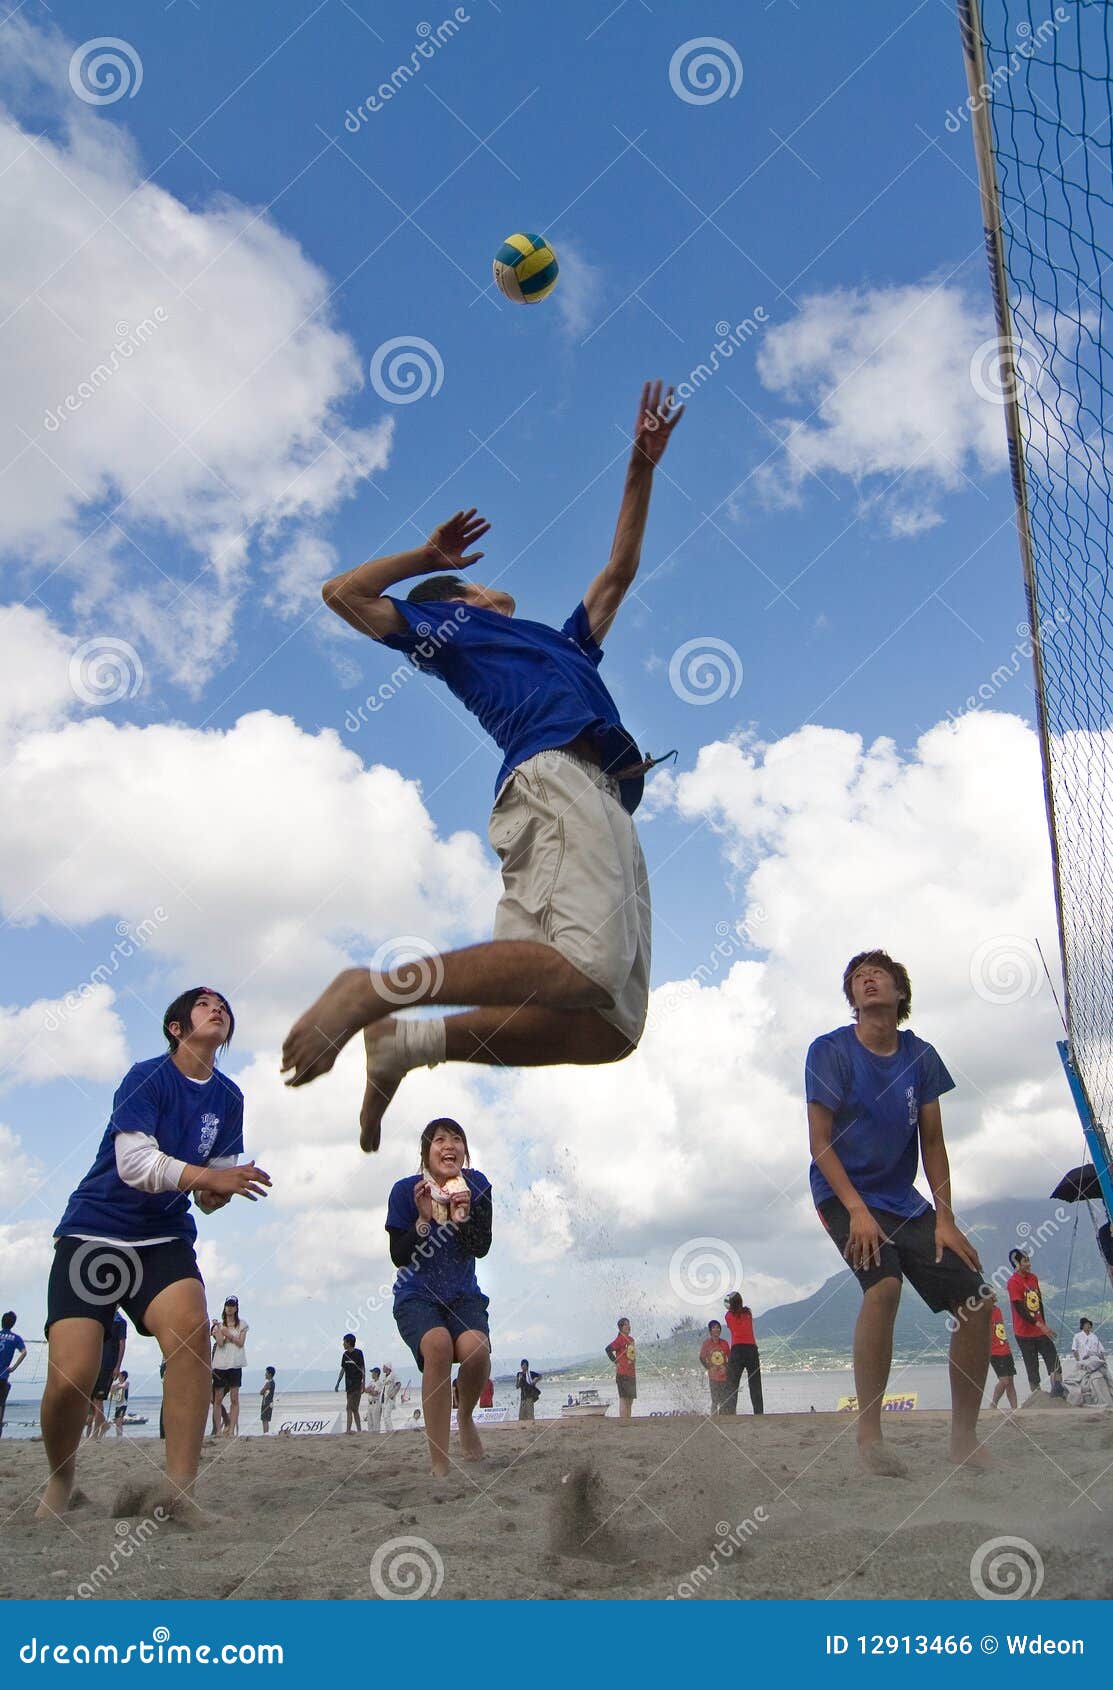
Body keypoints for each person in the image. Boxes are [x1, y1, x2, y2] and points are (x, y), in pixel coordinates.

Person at [282, 382, 686, 1152]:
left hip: (595, 799)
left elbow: (617, 572)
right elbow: (342, 593)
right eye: (472, 580)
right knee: (586, 970)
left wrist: (640, 465)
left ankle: (406, 1045)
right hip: (557, 779)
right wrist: (425, 561)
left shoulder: (560, 642)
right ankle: (370, 990)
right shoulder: (451, 624)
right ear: (462, 596)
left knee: (608, 1026)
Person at [37, 987, 269, 1521]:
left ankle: (180, 1493)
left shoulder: (229, 1097)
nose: (219, 1009)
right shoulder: (146, 1076)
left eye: (225, 1007)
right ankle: (60, 1480)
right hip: (95, 1231)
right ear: (176, 1027)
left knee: (191, 1330)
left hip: (163, 1237)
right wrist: (209, 1177)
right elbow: (136, 1164)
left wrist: (218, 1192)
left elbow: (210, 1192)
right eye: (206, 1003)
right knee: (72, 1375)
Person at [806, 950, 992, 1476]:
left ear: (899, 993)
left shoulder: (921, 1056)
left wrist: (946, 1218)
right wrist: (857, 1212)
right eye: (857, 977)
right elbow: (820, 1141)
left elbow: (933, 1142)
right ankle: (870, 1435)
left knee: (977, 1299)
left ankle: (964, 1438)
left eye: (878, 973)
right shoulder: (830, 1051)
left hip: (904, 1201)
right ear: (852, 998)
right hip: (841, 1193)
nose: (867, 979)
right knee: (883, 1286)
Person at [385, 1117, 492, 1476]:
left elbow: (482, 1247)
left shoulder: (476, 1185)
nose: (450, 1145)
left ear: (465, 1151)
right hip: (417, 1296)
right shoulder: (406, 1191)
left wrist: (462, 1216)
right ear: (425, 1154)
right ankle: (439, 1462)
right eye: (440, 1140)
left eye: (457, 1139)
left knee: (476, 1351)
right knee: (438, 1347)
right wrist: (424, 1219)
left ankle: (465, 1415)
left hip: (462, 1295)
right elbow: (399, 1256)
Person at [1006, 1249, 1063, 1398]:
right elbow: (1020, 1309)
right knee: (1032, 1367)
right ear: (1017, 1264)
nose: (1029, 1264)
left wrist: (1044, 1323)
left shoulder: (1033, 1278)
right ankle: (1037, 1398)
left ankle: (1057, 1391)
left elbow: (1039, 1303)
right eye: (1025, 1261)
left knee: (1053, 1361)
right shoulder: (1013, 1282)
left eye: (1028, 1260)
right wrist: (1039, 1324)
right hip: (1024, 1333)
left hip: (1040, 1331)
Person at [86, 1310, 128, 1443]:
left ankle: (98, 1429)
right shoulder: (102, 1318)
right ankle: (102, 1423)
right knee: (92, 1396)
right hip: (97, 1360)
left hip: (108, 1363)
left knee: (98, 1397)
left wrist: (117, 1366)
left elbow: (122, 1344)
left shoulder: (120, 1322)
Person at [210, 1296, 249, 1437]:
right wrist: (219, 1330)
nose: (230, 1308)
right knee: (217, 1398)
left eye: (232, 1305)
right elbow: (220, 1343)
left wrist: (228, 1334)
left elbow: (241, 1342)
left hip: (235, 1363)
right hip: (220, 1364)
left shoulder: (242, 1324)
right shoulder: (219, 1325)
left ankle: (231, 1430)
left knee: (234, 1398)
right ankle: (219, 1431)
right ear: (224, 1307)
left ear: (236, 1307)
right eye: (228, 1305)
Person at [722, 1293, 764, 1416]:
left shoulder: (728, 1316)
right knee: (755, 1383)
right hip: (751, 1349)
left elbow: (729, 1312)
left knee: (732, 1384)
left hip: (737, 1349)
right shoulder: (748, 1314)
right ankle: (758, 1413)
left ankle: (730, 1412)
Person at [1070, 1318, 1113, 1406]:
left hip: (1095, 1360)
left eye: (1089, 1324)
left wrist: (1103, 1361)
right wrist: (1079, 1361)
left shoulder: (1094, 1336)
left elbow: (1101, 1351)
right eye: (1086, 1324)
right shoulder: (1077, 1336)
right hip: (1084, 1361)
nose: (1088, 1326)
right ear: (1082, 1326)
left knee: (1107, 1375)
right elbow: (1074, 1350)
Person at [0, 1311, 27, 1439]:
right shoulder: (16, 1338)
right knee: (1, 1405)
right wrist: (14, 1368)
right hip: (3, 1376)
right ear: (13, 1324)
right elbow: (24, 1352)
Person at [988, 1304, 1018, 1411]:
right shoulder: (983, 1312)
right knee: (1004, 1381)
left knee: (1010, 1382)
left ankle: (1015, 1409)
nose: (995, 1296)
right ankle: (993, 1404)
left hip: (1005, 1349)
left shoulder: (997, 1310)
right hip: (995, 1352)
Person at [605, 1318, 636, 1420]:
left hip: (631, 1373)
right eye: (625, 1325)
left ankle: (628, 1419)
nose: (628, 1327)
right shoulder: (619, 1340)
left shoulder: (631, 1340)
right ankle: (623, 1420)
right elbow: (608, 1349)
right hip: (622, 1373)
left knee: (630, 1399)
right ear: (621, 1328)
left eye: (629, 1324)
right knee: (624, 1398)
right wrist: (616, 1362)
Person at [699, 1319, 732, 1415]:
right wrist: (709, 1367)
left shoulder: (724, 1343)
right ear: (710, 1331)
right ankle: (713, 1418)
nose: (716, 1329)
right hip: (713, 1376)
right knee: (715, 1400)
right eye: (714, 1327)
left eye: (718, 1327)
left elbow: (730, 1358)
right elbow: (701, 1358)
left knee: (723, 1400)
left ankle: (722, 1418)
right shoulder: (707, 1343)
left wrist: (726, 1367)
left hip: (724, 1376)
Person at [335, 1334, 366, 1432]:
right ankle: (359, 1430)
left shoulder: (359, 1353)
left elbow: (362, 1368)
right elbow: (343, 1369)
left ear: (349, 1342)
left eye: (344, 1342)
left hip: (357, 1384)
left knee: (349, 1408)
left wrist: (363, 1383)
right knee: (354, 1409)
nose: (343, 1344)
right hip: (348, 1385)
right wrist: (338, 1382)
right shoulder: (345, 1355)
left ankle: (348, 1430)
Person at [380, 1363, 402, 1433]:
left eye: (384, 1367)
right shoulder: (384, 1377)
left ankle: (391, 1430)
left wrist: (394, 1394)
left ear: (388, 1368)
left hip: (390, 1399)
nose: (383, 1368)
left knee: (387, 1415)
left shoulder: (393, 1375)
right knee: (385, 1416)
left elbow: (398, 1384)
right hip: (384, 1399)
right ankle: (388, 1430)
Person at [108, 1370, 129, 1437]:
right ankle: (118, 1435)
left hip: (123, 1405)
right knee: (117, 1422)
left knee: (119, 1421)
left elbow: (124, 1386)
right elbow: (111, 1391)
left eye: (120, 1376)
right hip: (117, 1405)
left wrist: (116, 1387)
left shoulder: (126, 1383)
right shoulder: (116, 1384)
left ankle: (120, 1436)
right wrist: (113, 1389)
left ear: (123, 1377)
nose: (119, 1377)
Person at [364, 1367, 383, 1433]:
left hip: (376, 1403)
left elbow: (375, 1393)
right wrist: (370, 1390)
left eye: (373, 1373)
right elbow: (366, 1390)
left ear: (377, 1373)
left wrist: (370, 1390)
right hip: (370, 1404)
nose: (372, 1374)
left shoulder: (379, 1383)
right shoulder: (371, 1382)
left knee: (376, 1422)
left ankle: (377, 1435)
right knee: (370, 1422)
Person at [260, 1366, 276, 1434]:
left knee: (265, 1419)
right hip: (269, 1402)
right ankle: (266, 1433)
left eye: (266, 1373)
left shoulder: (269, 1383)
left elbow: (261, 1392)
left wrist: (264, 1388)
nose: (265, 1374)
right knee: (266, 1419)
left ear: (269, 1374)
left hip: (266, 1402)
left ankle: (265, 1433)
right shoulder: (272, 1382)